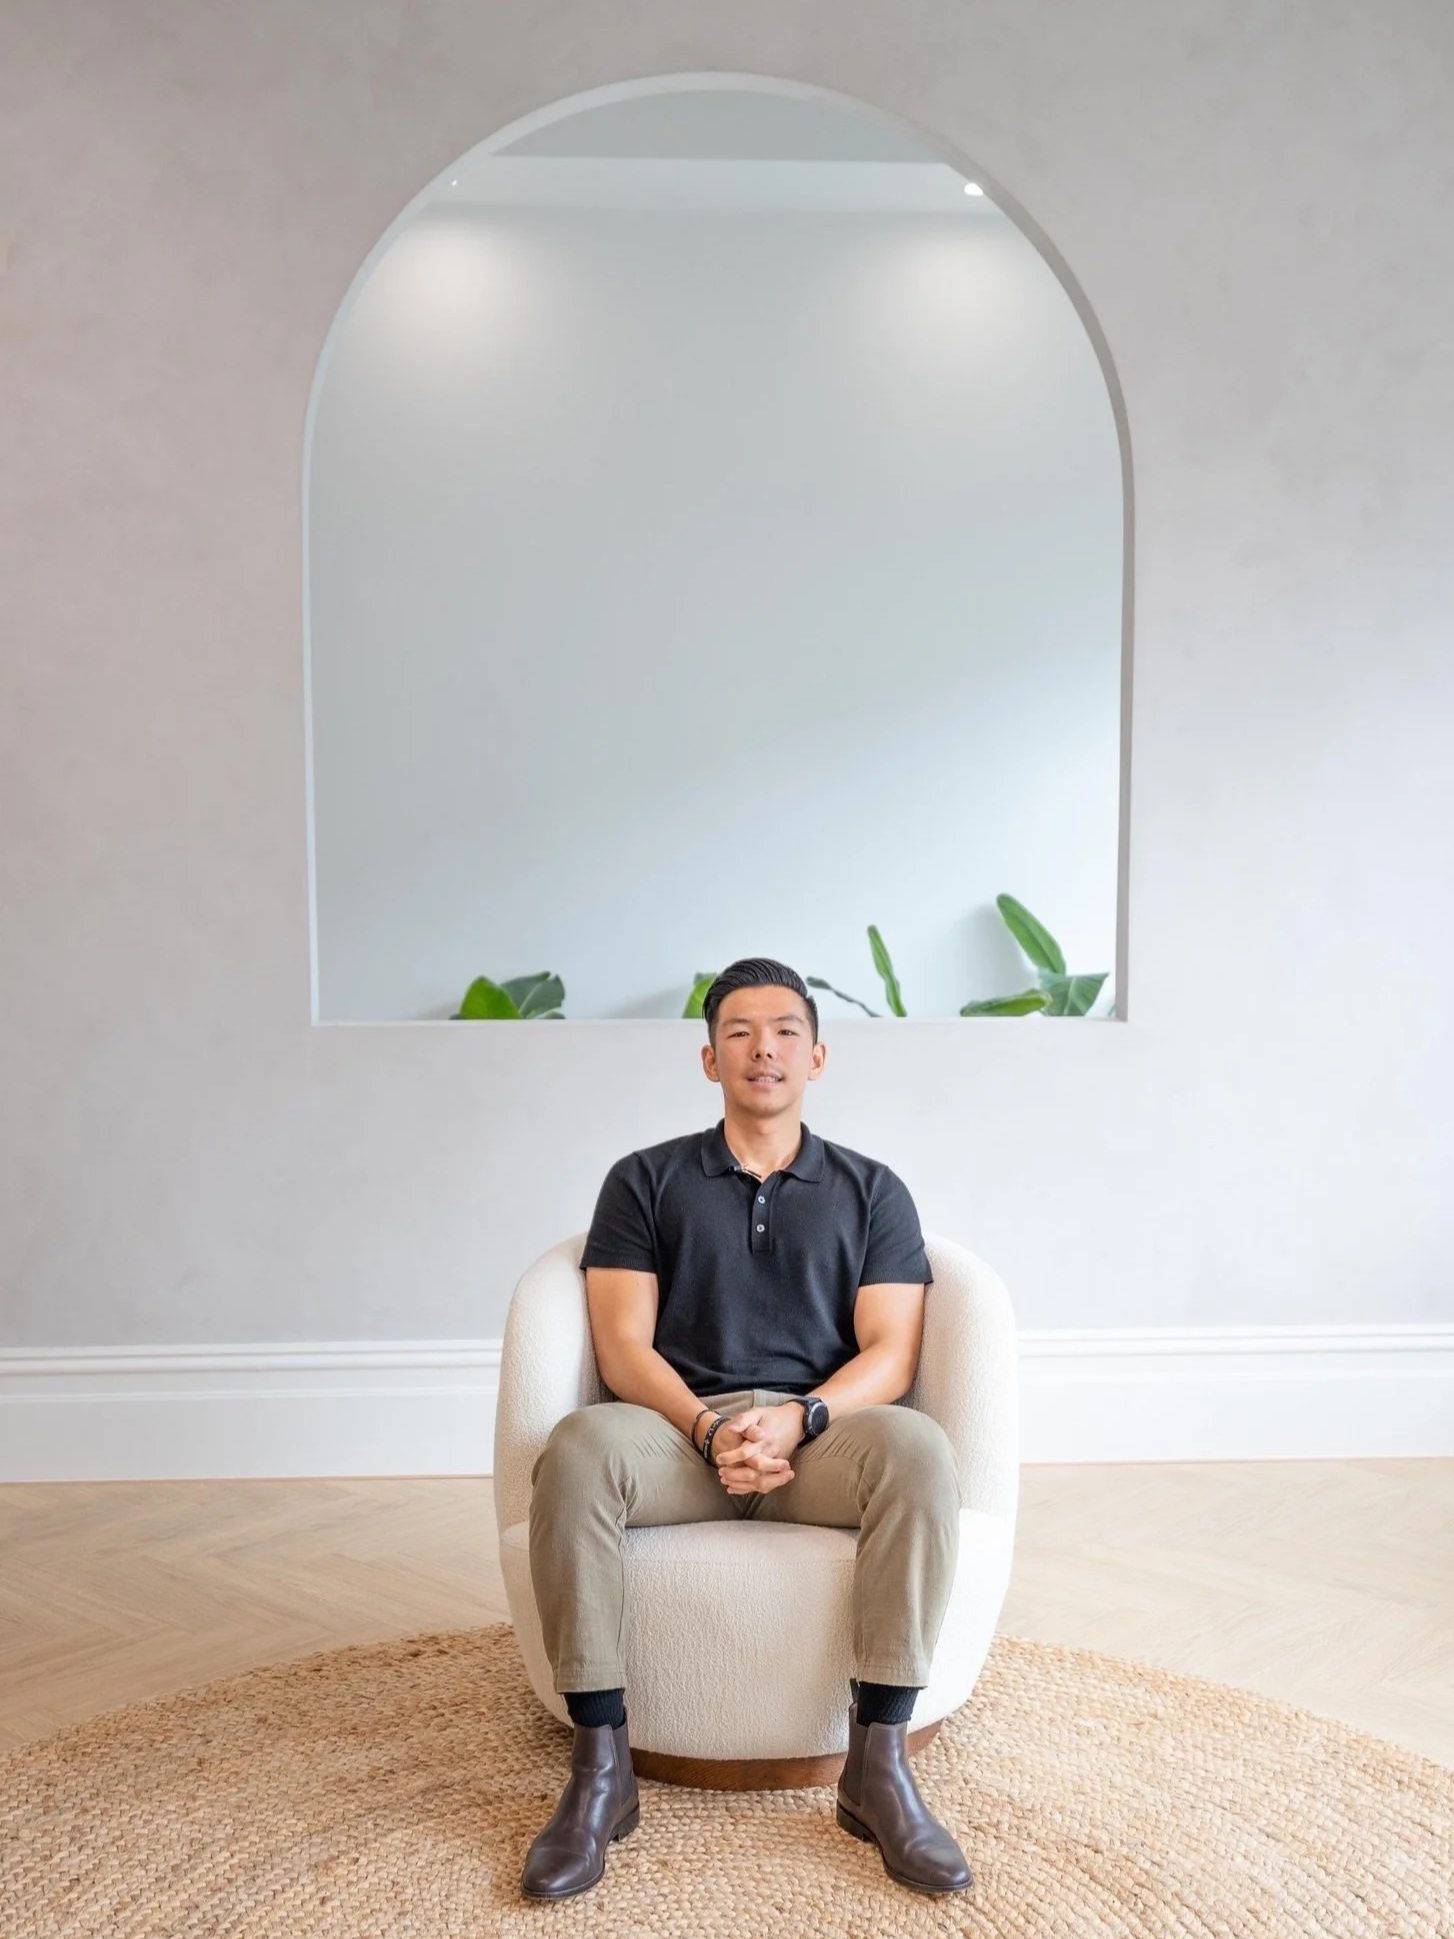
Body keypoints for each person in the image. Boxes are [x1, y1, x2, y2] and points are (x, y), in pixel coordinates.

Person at [520, 957, 971, 1901]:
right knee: (574, 1449)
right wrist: (702, 1425)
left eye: (782, 1031)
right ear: (707, 1057)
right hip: (679, 1435)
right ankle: (602, 1773)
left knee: (920, 1449)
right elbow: (620, 1345)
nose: (762, 1047)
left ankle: (875, 1767)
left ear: (817, 1054)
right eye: (738, 1032)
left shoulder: (872, 1189)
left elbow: (890, 1353)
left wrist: (803, 1418)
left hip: (821, 1439)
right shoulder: (642, 1181)